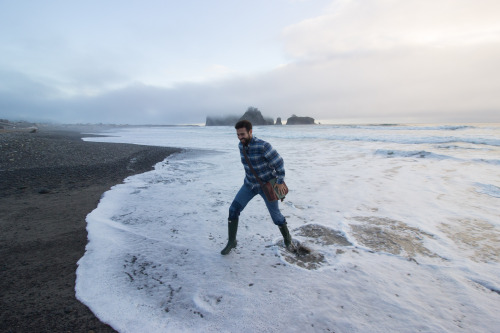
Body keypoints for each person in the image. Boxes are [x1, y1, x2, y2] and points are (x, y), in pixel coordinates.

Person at [221, 120, 292, 255]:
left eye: (242, 134)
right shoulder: (240, 145)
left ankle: (288, 239)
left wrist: (280, 181)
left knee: (276, 217)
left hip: (266, 187)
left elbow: (279, 162)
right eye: (238, 135)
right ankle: (232, 241)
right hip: (249, 185)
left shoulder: (263, 146)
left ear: (250, 132)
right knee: (233, 210)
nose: (240, 137)